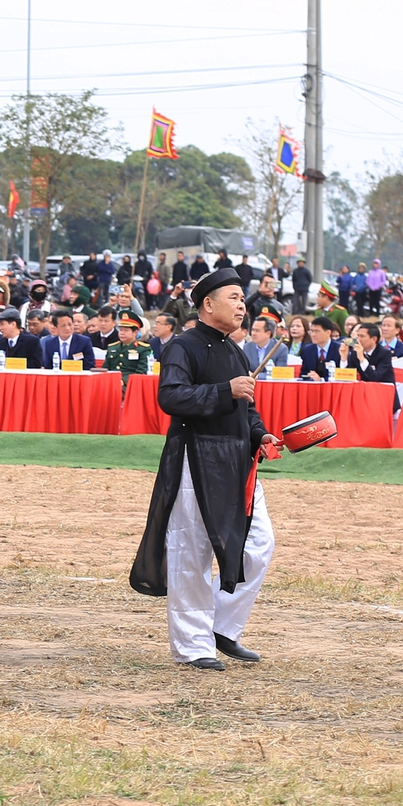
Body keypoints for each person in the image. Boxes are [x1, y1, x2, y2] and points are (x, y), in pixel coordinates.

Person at [128, 266, 280, 671]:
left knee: (258, 544)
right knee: (191, 552)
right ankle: (193, 644)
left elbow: (244, 408)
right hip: (196, 458)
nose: (242, 305)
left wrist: (260, 434)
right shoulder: (182, 347)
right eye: (234, 297)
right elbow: (171, 397)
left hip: (236, 462)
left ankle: (222, 626)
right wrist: (223, 390)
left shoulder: (236, 351)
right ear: (207, 303)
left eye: (243, 299)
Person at [297, 317, 339, 381]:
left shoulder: (339, 349)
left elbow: (342, 375)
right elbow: (303, 373)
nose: (313, 335)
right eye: (311, 331)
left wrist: (321, 380)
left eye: (316, 331)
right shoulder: (307, 349)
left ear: (328, 332)